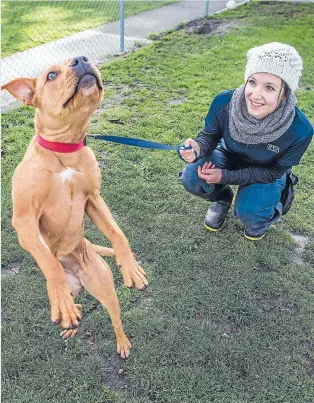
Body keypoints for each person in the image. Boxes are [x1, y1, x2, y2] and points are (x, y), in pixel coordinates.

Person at [179, 42, 313, 240]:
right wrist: (197, 148)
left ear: (284, 93)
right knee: (191, 177)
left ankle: (263, 216)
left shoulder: (301, 129)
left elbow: (273, 172)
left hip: (267, 170)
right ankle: (223, 199)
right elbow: (209, 136)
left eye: (269, 87)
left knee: (251, 213)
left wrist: (224, 176)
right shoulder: (224, 101)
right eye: (252, 82)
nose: (255, 94)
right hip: (228, 153)